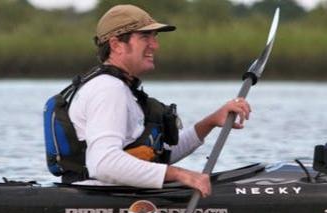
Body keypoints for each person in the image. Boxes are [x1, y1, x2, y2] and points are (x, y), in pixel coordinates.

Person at [66, 4, 251, 198]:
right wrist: (180, 174)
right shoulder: (108, 90)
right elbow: (104, 164)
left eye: (155, 37)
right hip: (102, 198)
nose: (155, 45)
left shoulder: (121, 89)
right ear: (116, 45)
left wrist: (211, 122)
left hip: (116, 192)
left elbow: (159, 155)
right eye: (145, 37)